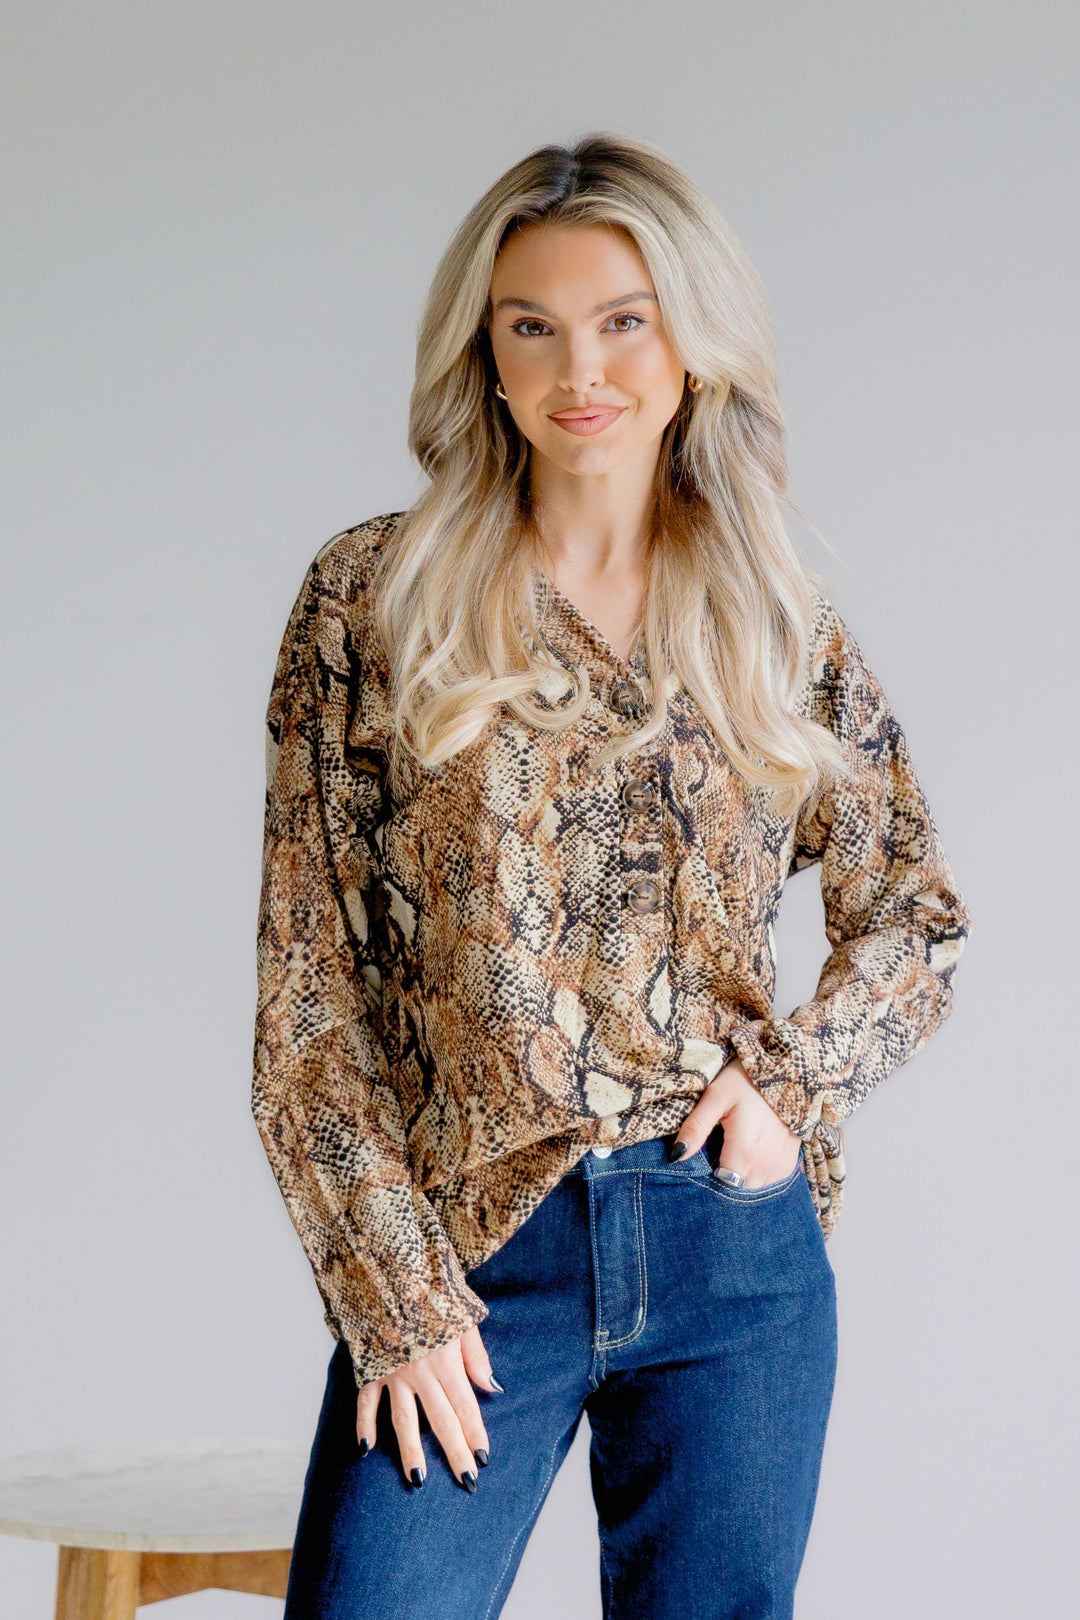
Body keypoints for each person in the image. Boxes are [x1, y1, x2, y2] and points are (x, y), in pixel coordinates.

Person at [252, 131, 971, 1620]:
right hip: (473, 1250)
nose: (580, 369)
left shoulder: (772, 617)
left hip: (728, 1254)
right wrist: (394, 1296)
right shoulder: (374, 600)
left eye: (623, 321)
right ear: (485, 355)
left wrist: (790, 1089)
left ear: (691, 344)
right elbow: (309, 999)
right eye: (533, 326)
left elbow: (915, 909)